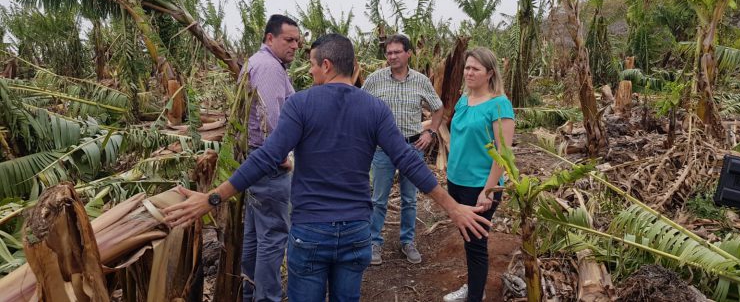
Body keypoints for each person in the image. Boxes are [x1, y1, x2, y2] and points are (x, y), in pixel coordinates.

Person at [163, 34, 492, 302]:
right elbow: (408, 160)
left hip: (310, 232)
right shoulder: (374, 109)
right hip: (355, 231)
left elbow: (265, 158)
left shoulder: (301, 104)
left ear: (326, 64)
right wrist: (453, 208)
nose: (312, 72)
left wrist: (212, 198)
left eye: (312, 64)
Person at [362, 34, 444, 265]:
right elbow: (359, 105)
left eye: (397, 52)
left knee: (409, 199)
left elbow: (438, 108)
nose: (392, 56)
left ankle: (407, 241)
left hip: (411, 147)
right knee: (378, 199)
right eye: (389, 53)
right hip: (382, 149)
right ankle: (374, 242)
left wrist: (431, 132)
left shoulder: (420, 81)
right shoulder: (375, 80)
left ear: (408, 53)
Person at [443, 47, 515, 302]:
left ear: (490, 73)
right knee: (468, 238)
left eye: (475, 68)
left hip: (480, 186)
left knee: (476, 244)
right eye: (467, 67)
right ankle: (476, 286)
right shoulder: (465, 99)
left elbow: (503, 153)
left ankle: (475, 295)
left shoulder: (499, 105)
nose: (468, 72)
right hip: (457, 182)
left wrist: (489, 189)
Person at [239, 14, 300, 302]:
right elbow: (271, 121)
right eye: (289, 40)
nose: (295, 46)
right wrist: (282, 158)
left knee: (255, 233)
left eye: (298, 41)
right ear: (270, 38)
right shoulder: (269, 69)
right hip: (268, 165)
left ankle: (251, 293)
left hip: (254, 162)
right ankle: (267, 298)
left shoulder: (258, 62)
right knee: (273, 237)